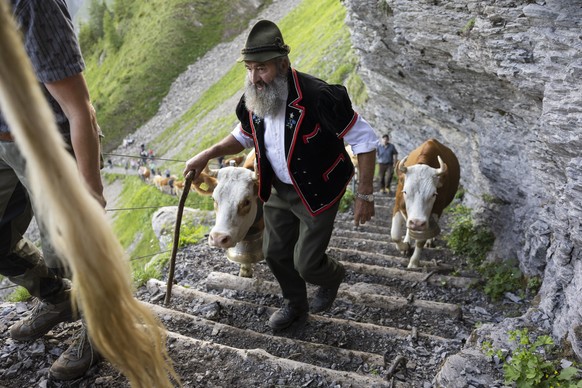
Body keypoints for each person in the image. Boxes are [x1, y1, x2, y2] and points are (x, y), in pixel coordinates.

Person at [184, 20, 377, 330]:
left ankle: (333, 275)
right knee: (274, 252)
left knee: (307, 262)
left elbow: (365, 140)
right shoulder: (253, 99)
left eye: (261, 69)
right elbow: (244, 135)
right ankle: (295, 305)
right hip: (278, 190)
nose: (254, 77)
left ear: (283, 64)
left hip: (319, 189)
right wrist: (208, 153)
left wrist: (365, 195)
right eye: (249, 68)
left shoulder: (320, 97)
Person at [0, 0, 105, 380]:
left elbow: (79, 108)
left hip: (49, 140)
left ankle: (103, 325)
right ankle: (59, 297)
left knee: (70, 246)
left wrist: (90, 189)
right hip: (3, 138)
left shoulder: (29, 4)